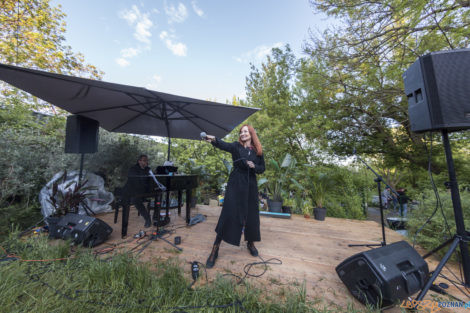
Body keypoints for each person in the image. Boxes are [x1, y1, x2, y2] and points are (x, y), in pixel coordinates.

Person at [203, 125, 265, 268]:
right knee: (228, 213)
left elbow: (262, 168)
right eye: (241, 132)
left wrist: (254, 166)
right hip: (236, 183)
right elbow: (223, 145)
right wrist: (212, 139)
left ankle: (250, 243)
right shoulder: (236, 146)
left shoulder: (258, 151)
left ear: (251, 134)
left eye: (245, 131)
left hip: (251, 185)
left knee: (251, 215)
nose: (242, 134)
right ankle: (215, 249)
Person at [122, 155, 152, 237]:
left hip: (143, 190)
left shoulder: (148, 169)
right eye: (144, 160)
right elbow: (134, 181)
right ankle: (148, 219)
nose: (146, 162)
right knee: (136, 200)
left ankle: (156, 217)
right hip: (132, 191)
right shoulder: (133, 169)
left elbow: (150, 180)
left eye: (147, 160)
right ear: (139, 161)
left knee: (158, 195)